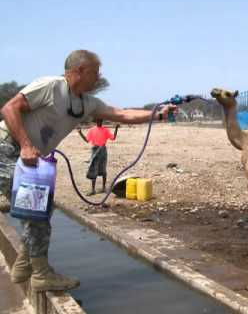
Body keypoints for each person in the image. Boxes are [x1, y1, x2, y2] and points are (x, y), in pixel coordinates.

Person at [0, 50, 169, 292]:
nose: (99, 78)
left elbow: (122, 114)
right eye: (95, 72)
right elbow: (9, 108)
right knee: (36, 211)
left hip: (28, 159)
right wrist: (26, 145)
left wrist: (158, 114)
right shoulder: (50, 86)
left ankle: (26, 263)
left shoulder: (86, 103)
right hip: (6, 148)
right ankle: (41, 274)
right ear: (79, 70)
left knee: (40, 209)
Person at [78, 119, 119, 195]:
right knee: (93, 169)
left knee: (103, 170)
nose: (99, 122)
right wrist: (80, 133)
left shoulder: (105, 130)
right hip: (95, 150)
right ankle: (93, 190)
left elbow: (113, 138)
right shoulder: (92, 130)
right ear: (96, 121)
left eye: (100, 121)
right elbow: (87, 140)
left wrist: (116, 129)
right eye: (98, 121)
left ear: (102, 121)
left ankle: (103, 188)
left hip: (103, 150)